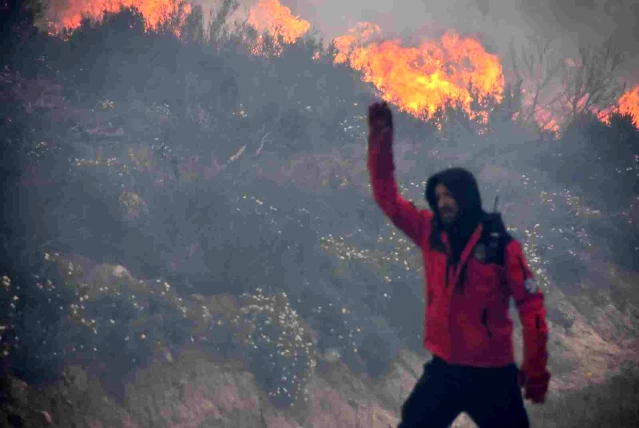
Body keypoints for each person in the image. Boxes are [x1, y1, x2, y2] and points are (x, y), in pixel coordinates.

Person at [366, 101, 550, 428]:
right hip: (445, 369)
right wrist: (380, 140)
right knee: (414, 420)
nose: (443, 203)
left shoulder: (502, 246)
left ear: (468, 197)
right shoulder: (429, 231)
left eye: (450, 196)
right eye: (438, 197)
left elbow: (531, 306)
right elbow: (388, 199)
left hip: (493, 375)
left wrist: (535, 369)